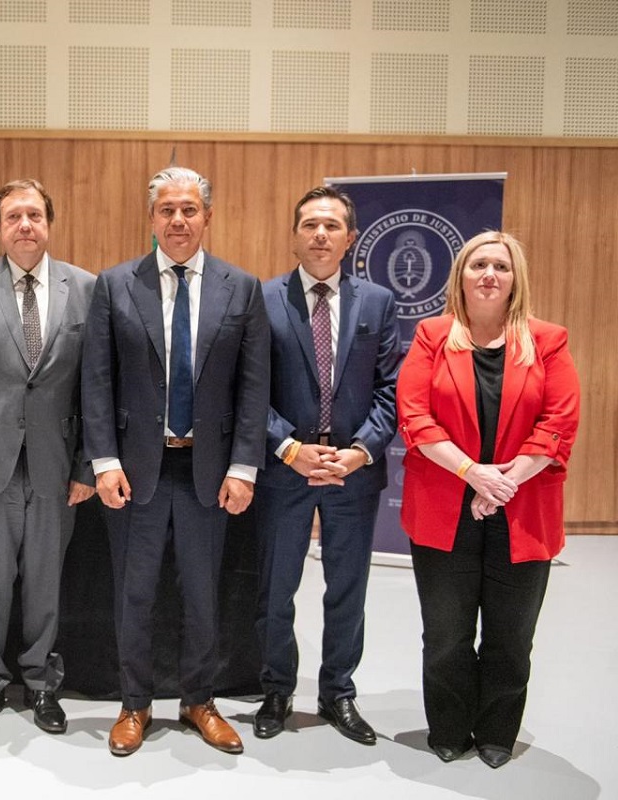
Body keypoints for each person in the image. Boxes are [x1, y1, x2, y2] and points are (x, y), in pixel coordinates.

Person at [82, 166, 270, 756]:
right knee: (134, 592)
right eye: (167, 209)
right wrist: (104, 461)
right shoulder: (115, 286)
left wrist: (244, 467)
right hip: (137, 470)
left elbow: (253, 386)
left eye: (189, 209)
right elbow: (96, 381)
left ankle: (199, 700)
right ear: (152, 218)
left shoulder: (241, 288)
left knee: (201, 592)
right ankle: (134, 703)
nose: (179, 219)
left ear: (208, 217)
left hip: (207, 472)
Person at [396, 231, 580, 768]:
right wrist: (475, 475)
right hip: (444, 508)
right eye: (479, 264)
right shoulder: (432, 335)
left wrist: (501, 486)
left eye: (501, 266)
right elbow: (415, 417)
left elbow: (559, 423)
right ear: (461, 275)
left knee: (511, 634)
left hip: (523, 511)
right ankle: (450, 728)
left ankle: (498, 730)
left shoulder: (549, 340)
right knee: (447, 635)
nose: (489, 275)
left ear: (515, 278)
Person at [0, 179, 96, 734]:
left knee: (45, 580)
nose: (25, 225)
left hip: (58, 463)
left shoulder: (84, 286)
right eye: (14, 217)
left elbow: (93, 388)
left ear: (49, 223)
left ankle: (39, 683)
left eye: (35, 214)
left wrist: (87, 466)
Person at [253, 186, 402, 744]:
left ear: (350, 238)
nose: (320, 234)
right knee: (276, 588)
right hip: (283, 469)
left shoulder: (378, 303)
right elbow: (250, 392)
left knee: (348, 589)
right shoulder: (262, 299)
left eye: (332, 226)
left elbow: (392, 389)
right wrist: (289, 448)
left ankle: (338, 692)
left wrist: (359, 450)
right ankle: (276, 688)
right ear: (293, 235)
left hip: (353, 473)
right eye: (310, 224)